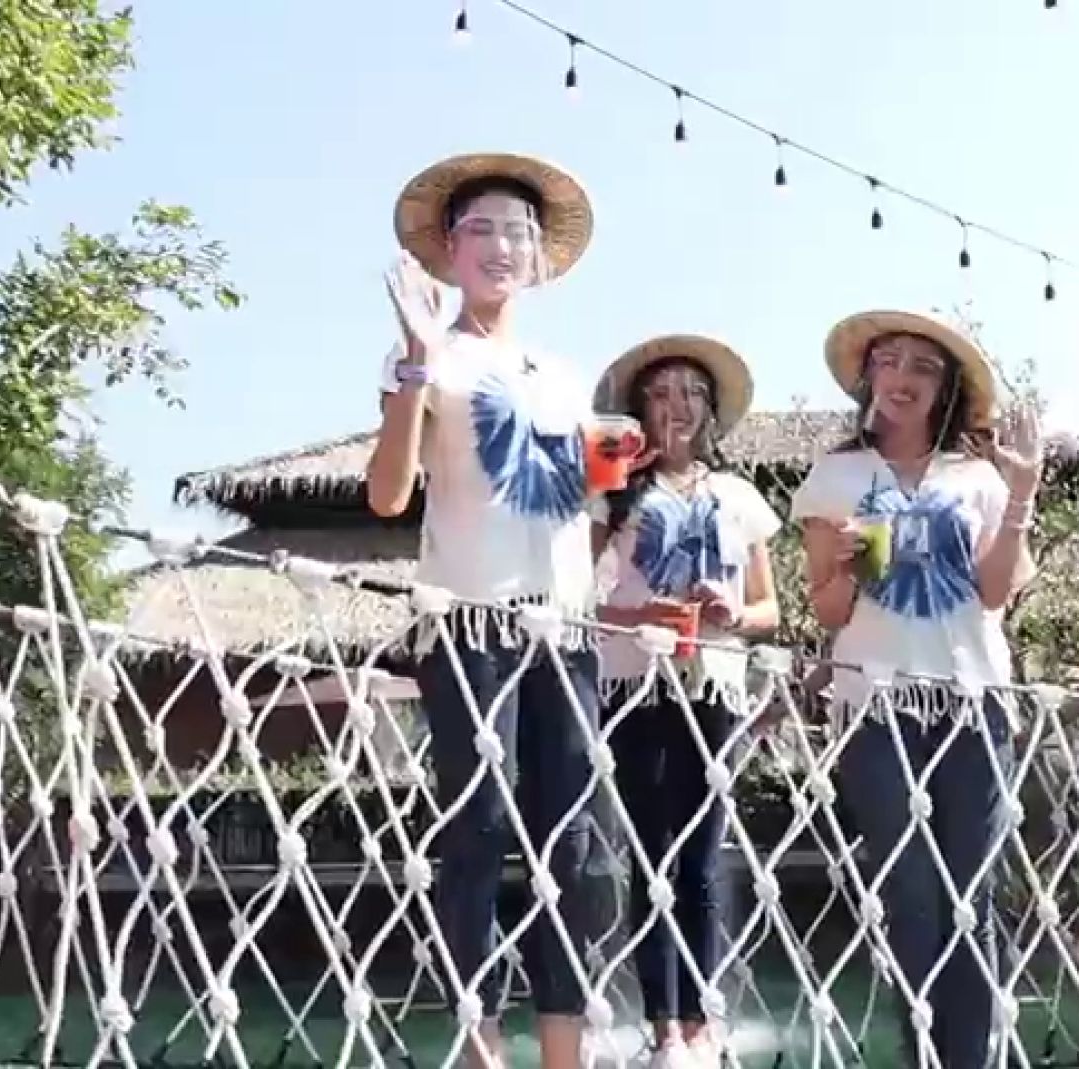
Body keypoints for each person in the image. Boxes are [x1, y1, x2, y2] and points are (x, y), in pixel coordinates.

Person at [366, 152, 601, 1069]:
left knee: (574, 845)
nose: (504, 246)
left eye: (520, 232)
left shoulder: (569, 375)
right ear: (449, 249)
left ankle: (562, 1050)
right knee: (476, 829)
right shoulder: (429, 354)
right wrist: (419, 370)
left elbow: (582, 502)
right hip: (469, 623)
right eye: (485, 229)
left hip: (568, 631)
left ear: (540, 258)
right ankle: (477, 1040)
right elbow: (389, 496)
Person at [789, 310, 1039, 1068]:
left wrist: (1023, 490)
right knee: (914, 894)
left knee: (975, 895)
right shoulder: (836, 475)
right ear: (868, 376)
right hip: (878, 706)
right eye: (889, 361)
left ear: (946, 388)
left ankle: (975, 1057)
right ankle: (923, 1052)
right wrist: (838, 565)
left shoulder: (979, 479)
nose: (903, 378)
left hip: (972, 699)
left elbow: (994, 593)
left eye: (923, 368)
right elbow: (830, 612)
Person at [588, 335, 781, 1069]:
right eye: (662, 392)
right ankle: (662, 1026)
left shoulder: (740, 498)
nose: (677, 406)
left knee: (699, 857)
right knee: (650, 855)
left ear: (710, 412)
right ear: (641, 407)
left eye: (691, 393)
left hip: (714, 687)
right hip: (637, 684)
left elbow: (770, 607)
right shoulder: (616, 489)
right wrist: (642, 616)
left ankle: (701, 1024)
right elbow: (583, 591)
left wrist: (730, 609)